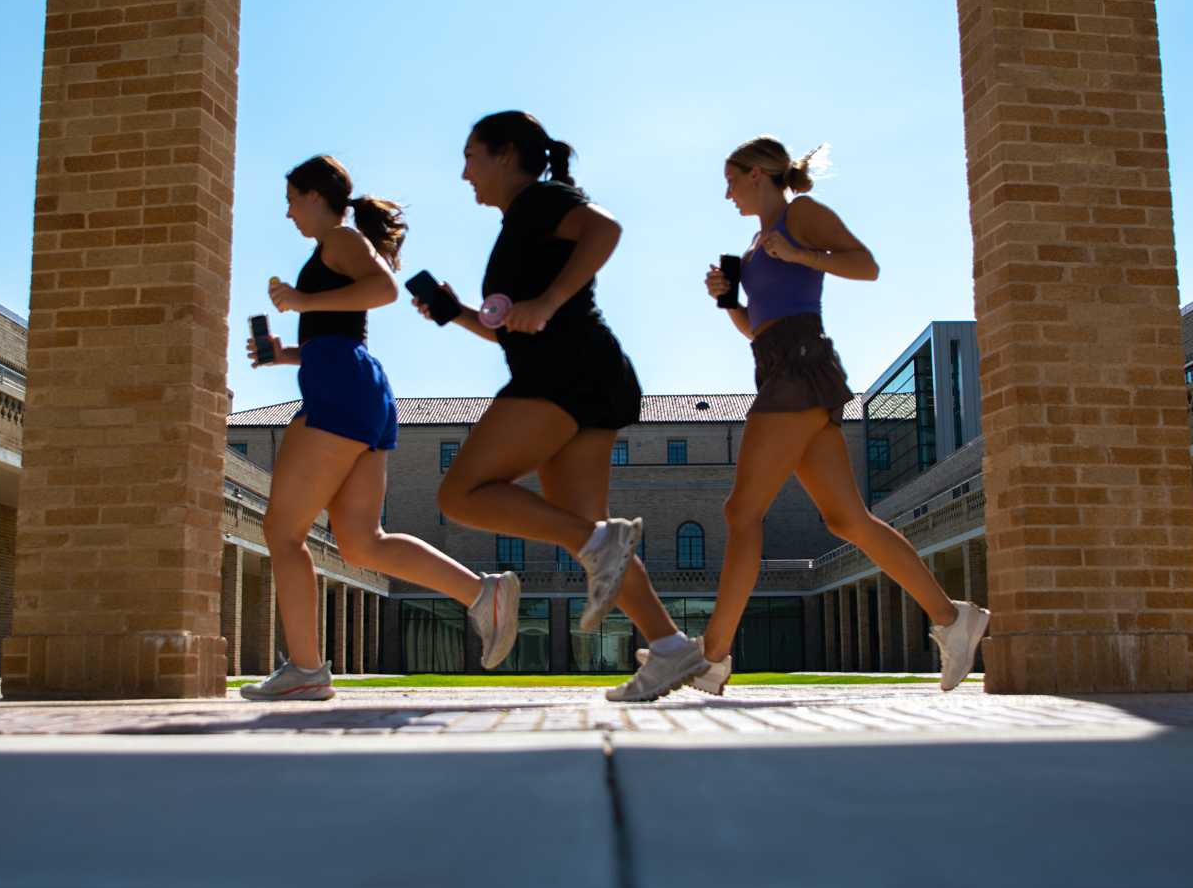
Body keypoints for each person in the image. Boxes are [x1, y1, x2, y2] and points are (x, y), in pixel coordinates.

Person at [416, 111, 710, 702]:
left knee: (460, 494)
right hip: (583, 372)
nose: (464, 171)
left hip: (562, 373)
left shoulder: (540, 199)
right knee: (593, 535)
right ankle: (672, 648)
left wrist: (549, 300)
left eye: (471, 155)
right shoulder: (519, 221)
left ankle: (602, 547)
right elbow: (516, 329)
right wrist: (460, 317)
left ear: (504, 155)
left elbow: (606, 230)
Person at [694, 136, 990, 693]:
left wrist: (801, 254)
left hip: (801, 370)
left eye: (731, 179)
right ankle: (954, 619)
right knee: (847, 520)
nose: (726, 191)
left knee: (741, 511)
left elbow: (867, 266)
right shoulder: (756, 243)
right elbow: (758, 330)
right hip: (778, 362)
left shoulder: (801, 214)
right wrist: (731, 302)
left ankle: (712, 656)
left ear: (758, 173)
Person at [242, 155, 519, 701]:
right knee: (362, 543)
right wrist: (283, 354)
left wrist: (302, 300)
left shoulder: (340, 240)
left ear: (318, 197)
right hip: (355, 386)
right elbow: (340, 334)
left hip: (342, 391)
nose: (289, 212)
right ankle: (482, 593)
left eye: (293, 199)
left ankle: (304, 668)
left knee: (282, 530)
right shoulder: (334, 248)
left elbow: (384, 290)